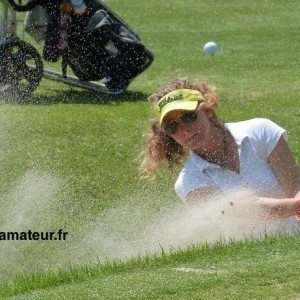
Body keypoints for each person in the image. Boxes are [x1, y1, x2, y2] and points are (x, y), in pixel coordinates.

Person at [141, 78, 300, 220]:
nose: (184, 129)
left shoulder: (261, 131)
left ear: (206, 110)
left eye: (188, 116)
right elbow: (246, 209)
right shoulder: (188, 182)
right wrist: (297, 207)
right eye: (172, 126)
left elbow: (296, 188)